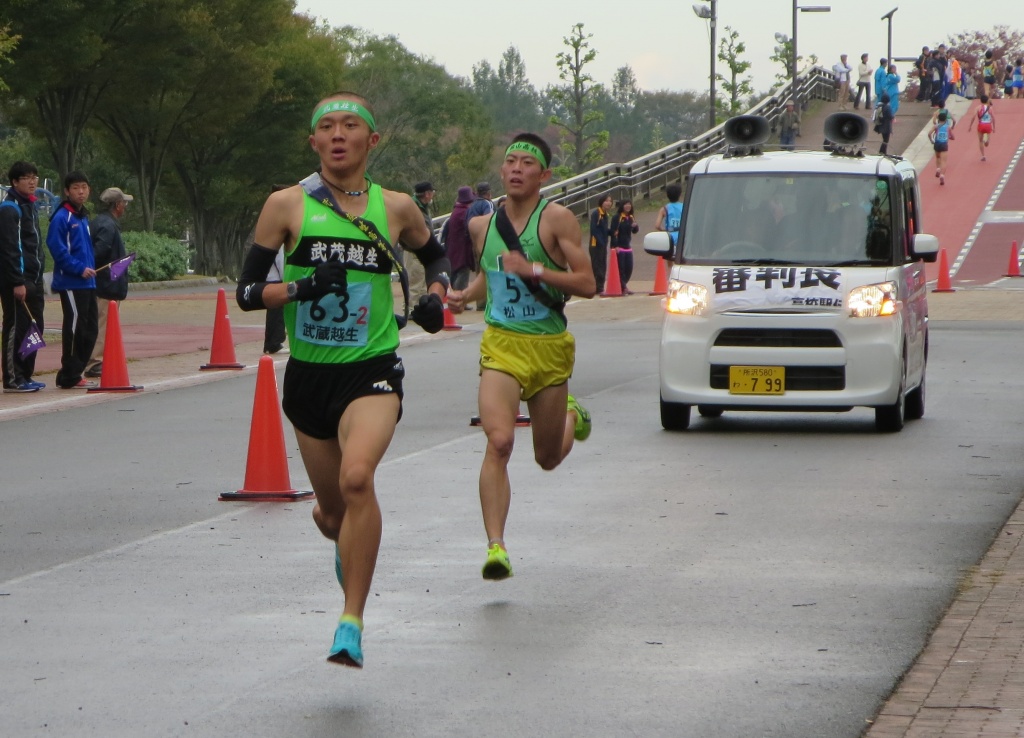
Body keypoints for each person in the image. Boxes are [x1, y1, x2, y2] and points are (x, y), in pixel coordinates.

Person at [234, 91, 451, 669]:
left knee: (359, 479)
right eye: (325, 127)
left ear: (370, 141)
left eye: (349, 126)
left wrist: (435, 297)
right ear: (313, 142)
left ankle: (350, 622)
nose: (337, 135)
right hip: (308, 378)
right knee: (333, 513)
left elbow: (439, 260)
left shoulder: (398, 207)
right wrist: (303, 288)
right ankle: (340, 539)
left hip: (373, 369)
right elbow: (248, 294)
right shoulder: (286, 205)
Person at [446, 131, 596, 581]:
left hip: (548, 348)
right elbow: (490, 276)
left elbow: (588, 283)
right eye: (510, 160)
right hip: (502, 345)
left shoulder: (557, 220)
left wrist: (534, 269)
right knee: (499, 440)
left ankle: (571, 415)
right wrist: (463, 296)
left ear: (544, 174)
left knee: (546, 458)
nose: (515, 168)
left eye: (526, 163)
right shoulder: (481, 225)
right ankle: (496, 546)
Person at [47, 171, 99, 390]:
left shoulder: (83, 216)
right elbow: (57, 249)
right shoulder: (62, 217)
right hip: (71, 283)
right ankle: (69, 374)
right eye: (76, 188)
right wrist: (79, 269)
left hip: (88, 283)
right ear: (67, 191)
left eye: (84, 187)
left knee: (91, 329)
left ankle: (74, 372)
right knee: (75, 328)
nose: (81, 192)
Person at [0, 161, 47, 393]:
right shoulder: (10, 208)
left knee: (35, 328)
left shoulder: (30, 206)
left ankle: (26, 374)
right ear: (14, 182)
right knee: (16, 327)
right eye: (26, 177)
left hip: (34, 280)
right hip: (17, 281)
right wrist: (17, 281)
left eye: (35, 177)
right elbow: (11, 248)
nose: (32, 182)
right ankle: (12, 378)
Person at [86, 186, 133, 377]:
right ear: (118, 205)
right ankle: (94, 362)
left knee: (102, 323)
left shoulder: (101, 222)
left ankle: (98, 360)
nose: (125, 207)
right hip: (105, 284)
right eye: (124, 203)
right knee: (102, 323)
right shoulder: (108, 225)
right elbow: (100, 252)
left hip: (105, 283)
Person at [442, 185, 475, 292]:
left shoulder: (456, 211)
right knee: (463, 272)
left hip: (454, 249)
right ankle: (460, 296)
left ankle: (456, 294)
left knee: (455, 272)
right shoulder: (463, 212)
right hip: (461, 249)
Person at [611, 199, 639, 295]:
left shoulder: (630, 217)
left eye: (629, 204)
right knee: (621, 269)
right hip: (619, 247)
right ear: (622, 206)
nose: (628, 206)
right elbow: (613, 232)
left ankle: (624, 285)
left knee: (629, 268)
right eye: (626, 204)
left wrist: (635, 226)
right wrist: (615, 246)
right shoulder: (617, 218)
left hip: (628, 246)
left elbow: (635, 231)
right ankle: (623, 287)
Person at [588, 192, 613, 293]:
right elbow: (594, 229)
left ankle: (600, 287)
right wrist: (601, 241)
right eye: (606, 201)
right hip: (595, 245)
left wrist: (612, 231)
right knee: (597, 266)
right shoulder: (596, 213)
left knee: (603, 265)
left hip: (603, 244)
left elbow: (604, 230)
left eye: (610, 201)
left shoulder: (605, 214)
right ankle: (598, 287)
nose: (608, 203)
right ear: (602, 202)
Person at [968, 94, 996, 161]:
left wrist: (970, 126)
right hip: (988, 125)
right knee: (987, 141)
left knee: (980, 141)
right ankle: (987, 141)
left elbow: (973, 117)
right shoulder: (990, 108)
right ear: (987, 100)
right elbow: (993, 118)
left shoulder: (978, 108)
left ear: (980, 100)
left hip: (981, 125)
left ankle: (983, 155)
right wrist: (994, 127)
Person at [655, 182, 684, 246]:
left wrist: (664, 230)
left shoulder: (664, 209)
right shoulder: (684, 206)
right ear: (679, 194)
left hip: (670, 237)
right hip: (682, 236)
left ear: (667, 195)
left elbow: (657, 225)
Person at [929, 111, 953, 186]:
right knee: (944, 161)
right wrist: (951, 137)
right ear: (946, 119)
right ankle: (942, 175)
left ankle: (938, 169)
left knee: (938, 158)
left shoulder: (936, 126)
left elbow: (929, 133)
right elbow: (952, 136)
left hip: (937, 144)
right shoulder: (948, 127)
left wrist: (931, 140)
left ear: (938, 119)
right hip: (944, 145)